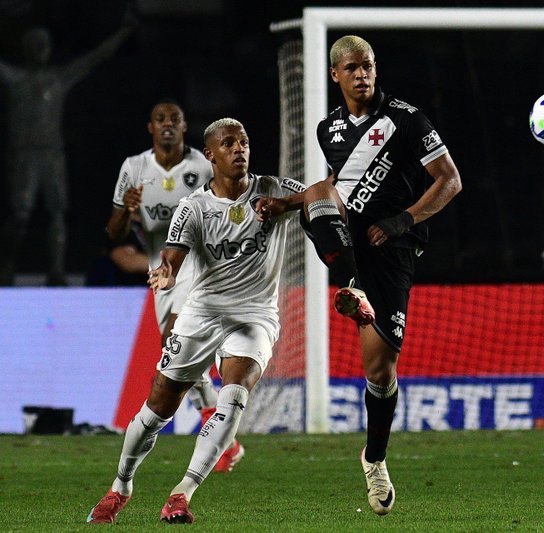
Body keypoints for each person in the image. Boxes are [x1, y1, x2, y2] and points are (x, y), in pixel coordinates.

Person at [256, 35, 462, 515]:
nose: (362, 74)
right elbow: (333, 185)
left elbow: (450, 180)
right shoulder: (328, 129)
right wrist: (289, 203)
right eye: (352, 68)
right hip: (348, 243)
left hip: (392, 248)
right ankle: (350, 287)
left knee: (379, 370)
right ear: (336, 75)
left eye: (368, 65)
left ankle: (374, 459)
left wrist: (404, 220)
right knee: (317, 201)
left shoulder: (407, 120)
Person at [87, 118, 306, 524]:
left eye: (243, 141)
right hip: (203, 312)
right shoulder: (194, 208)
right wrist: (165, 274)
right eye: (228, 144)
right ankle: (121, 486)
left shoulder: (275, 189)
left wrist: (287, 206)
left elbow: (324, 194)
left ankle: (181, 494)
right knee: (157, 408)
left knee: (234, 395)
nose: (239, 149)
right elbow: (171, 258)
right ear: (211, 156)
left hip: (256, 314)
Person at [106, 100, 243, 473]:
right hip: (161, 271)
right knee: (176, 349)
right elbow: (113, 234)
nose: (168, 125)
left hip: (200, 265)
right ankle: (218, 428)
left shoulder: (202, 165)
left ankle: (217, 424)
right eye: (161, 120)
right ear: (150, 127)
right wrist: (125, 209)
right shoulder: (133, 169)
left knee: (177, 338)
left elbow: (230, 203)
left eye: (175, 120)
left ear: (185, 128)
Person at [0, 13, 134, 286]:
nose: (40, 49)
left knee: (57, 210)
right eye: (34, 44)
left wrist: (124, 31)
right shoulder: (16, 78)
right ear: (26, 49)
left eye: (43, 44)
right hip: (24, 154)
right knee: (20, 214)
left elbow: (97, 56)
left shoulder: (58, 78)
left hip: (51, 154)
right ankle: (7, 265)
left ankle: (56, 270)